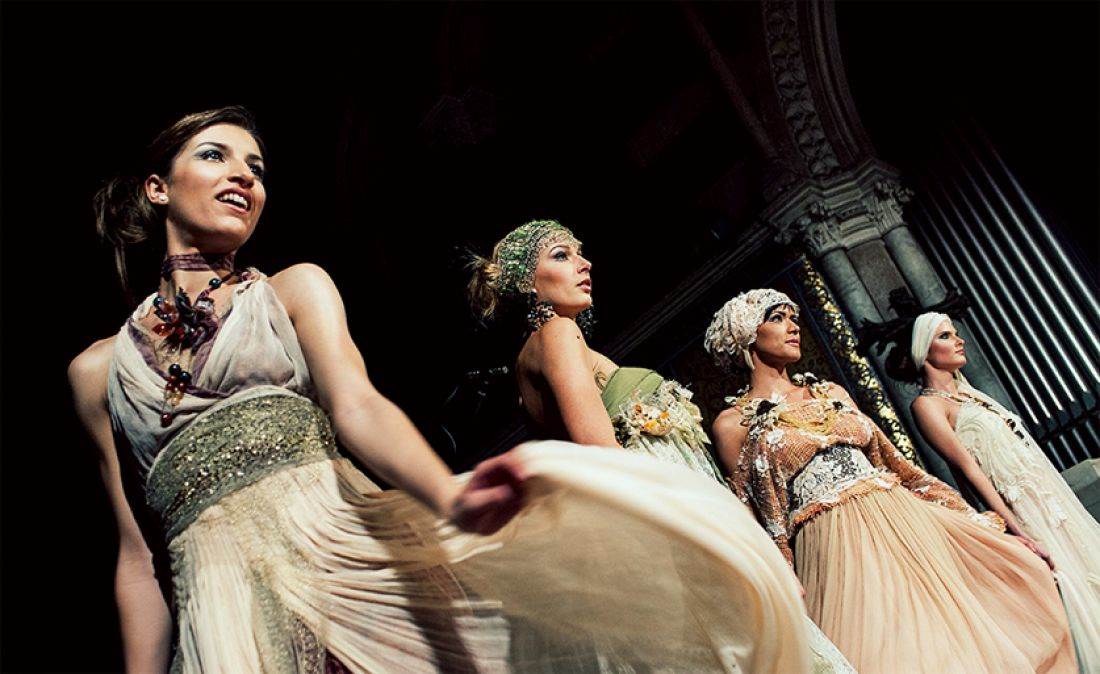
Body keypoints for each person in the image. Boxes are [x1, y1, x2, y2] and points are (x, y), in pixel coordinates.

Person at [70, 107, 813, 673]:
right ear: (157, 188)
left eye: (257, 167)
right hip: (219, 609)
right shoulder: (98, 372)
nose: (245, 176)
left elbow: (358, 405)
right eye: (216, 155)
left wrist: (449, 497)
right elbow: (136, 556)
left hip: (347, 559)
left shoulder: (294, 290)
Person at [467, 220, 854, 673]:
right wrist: (725, 541)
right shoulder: (556, 334)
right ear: (525, 284)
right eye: (561, 255)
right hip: (674, 525)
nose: (584, 263)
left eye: (580, 252)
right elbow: (602, 452)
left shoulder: (531, 358)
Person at [705, 289, 1077, 674]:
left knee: (966, 625)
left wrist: (979, 518)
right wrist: (781, 573)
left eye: (794, 318)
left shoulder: (830, 392)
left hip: (901, 518)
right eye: (778, 318)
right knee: (893, 653)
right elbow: (755, 514)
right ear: (746, 335)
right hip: (834, 543)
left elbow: (893, 461)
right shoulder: (733, 424)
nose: (794, 327)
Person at [907, 311, 1100, 671]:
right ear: (924, 349)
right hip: (1019, 507)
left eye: (955, 333)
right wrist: (1016, 528)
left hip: (1046, 496)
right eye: (946, 336)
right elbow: (968, 470)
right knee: (1068, 583)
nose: (959, 340)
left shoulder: (970, 395)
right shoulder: (927, 405)